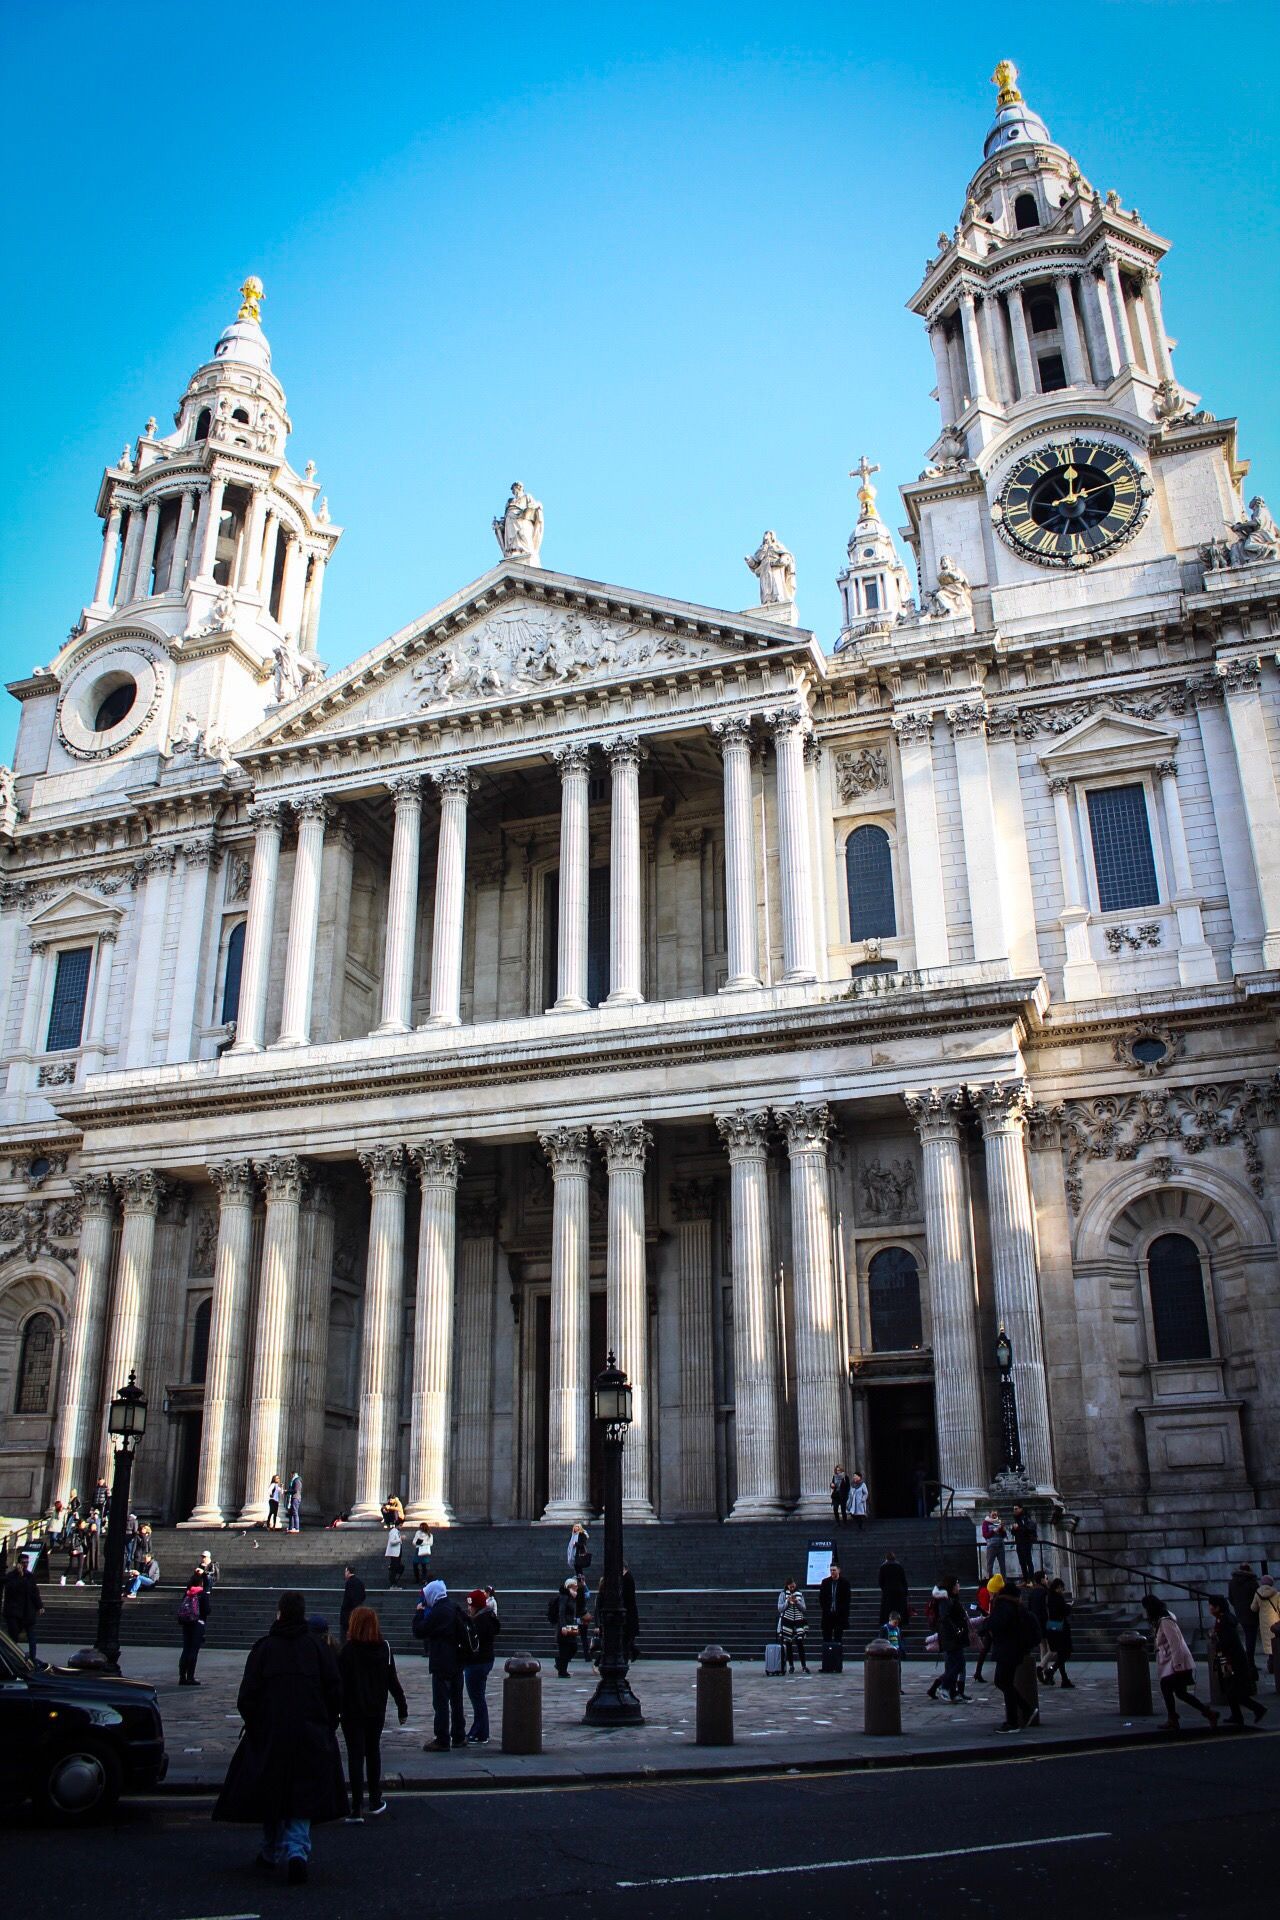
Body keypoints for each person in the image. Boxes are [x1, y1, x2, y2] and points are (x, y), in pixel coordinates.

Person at [214, 1589, 347, 1883]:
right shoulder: (317, 1649)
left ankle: (271, 1849)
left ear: (279, 1612)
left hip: (271, 1732)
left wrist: (258, 1724)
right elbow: (335, 1690)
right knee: (302, 1792)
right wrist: (327, 1722)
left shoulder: (264, 1649)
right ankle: (297, 1851)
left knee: (272, 1789)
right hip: (309, 1732)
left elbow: (246, 1696)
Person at [338, 1605, 408, 1820]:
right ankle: (375, 1799)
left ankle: (356, 1806)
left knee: (355, 1755)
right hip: (376, 1710)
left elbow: (339, 1683)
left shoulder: (348, 1651)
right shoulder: (384, 1648)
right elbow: (392, 1680)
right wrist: (402, 1707)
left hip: (352, 1710)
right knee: (373, 1751)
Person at [1141, 1594, 1217, 1732]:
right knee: (1180, 1693)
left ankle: (1174, 1719)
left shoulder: (1165, 1621)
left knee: (1167, 1687)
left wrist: (1178, 1665)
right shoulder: (1163, 1619)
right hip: (1172, 1662)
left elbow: (1175, 1644)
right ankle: (1207, 1713)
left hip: (1175, 1662)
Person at [415, 1579, 466, 1750]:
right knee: (457, 1701)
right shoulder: (454, 1607)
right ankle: (459, 1736)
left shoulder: (438, 1611)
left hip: (442, 1661)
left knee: (441, 1701)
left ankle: (442, 1738)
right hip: (457, 1661)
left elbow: (420, 1631)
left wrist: (419, 1613)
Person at [988, 1572, 1040, 1732]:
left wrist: (987, 1625)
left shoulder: (1003, 1605)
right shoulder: (1014, 1604)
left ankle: (1015, 1720)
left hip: (1007, 1649)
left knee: (1003, 1682)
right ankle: (1023, 1712)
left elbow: (999, 1624)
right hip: (1012, 1649)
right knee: (1004, 1682)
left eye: (990, 1591)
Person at [1208, 1595, 1267, 1729]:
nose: (1209, 1608)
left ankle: (1257, 1709)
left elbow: (1226, 1642)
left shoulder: (1224, 1621)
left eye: (1211, 1605)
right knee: (1230, 1689)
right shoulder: (1223, 1619)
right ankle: (1237, 1715)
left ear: (1217, 1607)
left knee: (1234, 1690)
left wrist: (1215, 1641)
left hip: (1232, 1661)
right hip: (1228, 1659)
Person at [462, 1588, 501, 1744]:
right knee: (479, 1698)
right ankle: (481, 1731)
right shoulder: (488, 1617)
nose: (469, 1608)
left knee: (477, 1698)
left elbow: (472, 1643)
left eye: (471, 1605)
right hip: (486, 1660)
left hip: (477, 1663)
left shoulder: (479, 1621)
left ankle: (479, 1731)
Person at [928, 1575, 970, 1704]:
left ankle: (953, 1692)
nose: (959, 1586)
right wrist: (956, 1629)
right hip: (950, 1637)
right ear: (951, 1586)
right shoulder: (945, 1600)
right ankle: (945, 1687)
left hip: (955, 1636)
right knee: (957, 1664)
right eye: (957, 1584)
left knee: (956, 1664)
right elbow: (944, 1618)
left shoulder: (952, 1598)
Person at [3, 1559, 43, 1661]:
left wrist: (39, 1606)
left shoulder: (30, 1576)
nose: (25, 1565)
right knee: (13, 1637)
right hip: (14, 1612)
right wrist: (20, 1576)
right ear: (18, 1564)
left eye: (27, 1562)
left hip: (27, 1611)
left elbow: (34, 1592)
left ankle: (33, 1658)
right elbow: (12, 1589)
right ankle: (12, 1657)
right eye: (23, 1562)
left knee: (31, 1636)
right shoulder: (11, 1576)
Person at [1041, 1577, 1075, 1687]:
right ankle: (1051, 1670)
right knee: (1066, 1652)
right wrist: (1069, 1607)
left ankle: (1064, 1679)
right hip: (1060, 1627)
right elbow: (1062, 1611)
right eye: (1062, 1588)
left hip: (1052, 1626)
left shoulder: (1049, 1597)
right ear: (1058, 1587)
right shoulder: (1057, 1598)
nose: (1062, 1590)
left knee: (1061, 1653)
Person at [178, 1576, 209, 1685]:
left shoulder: (188, 1593)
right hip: (198, 1624)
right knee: (193, 1650)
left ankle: (182, 1676)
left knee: (186, 1649)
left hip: (186, 1623)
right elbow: (207, 1610)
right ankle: (190, 1677)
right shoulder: (202, 1594)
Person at [1229, 1563, 1261, 1664]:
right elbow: (1257, 1599)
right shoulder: (1252, 1583)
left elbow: (1231, 1598)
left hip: (1240, 1613)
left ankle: (1249, 1661)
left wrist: (1238, 1607)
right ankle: (1250, 1662)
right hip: (1252, 1613)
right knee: (1251, 1637)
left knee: (1248, 1636)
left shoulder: (1232, 1583)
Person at [776, 1579, 809, 1674]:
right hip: (787, 1621)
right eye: (790, 1586)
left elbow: (803, 1608)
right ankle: (791, 1666)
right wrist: (788, 1602)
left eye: (793, 1585)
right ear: (787, 1586)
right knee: (788, 1643)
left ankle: (804, 1665)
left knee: (800, 1643)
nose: (792, 1587)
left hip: (798, 1621)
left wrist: (796, 1602)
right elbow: (780, 1608)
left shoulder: (800, 1594)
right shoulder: (783, 1594)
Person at [1251, 1574, 1280, 1676]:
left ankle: (1271, 1665)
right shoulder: (1276, 1593)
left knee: (1269, 1644)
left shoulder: (1257, 1594)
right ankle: (1277, 1665)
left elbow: (1253, 1608)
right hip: (1275, 1620)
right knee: (1277, 1642)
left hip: (1264, 1622)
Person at [877, 1550, 910, 1633]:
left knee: (888, 1611)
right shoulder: (899, 1566)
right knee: (899, 1610)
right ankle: (899, 1628)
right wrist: (905, 1592)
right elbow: (903, 1580)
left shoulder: (883, 1567)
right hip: (899, 1592)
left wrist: (885, 1589)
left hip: (888, 1593)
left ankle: (888, 1627)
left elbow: (880, 1581)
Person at [554, 1576, 580, 1677]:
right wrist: (563, 1626)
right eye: (575, 1586)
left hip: (571, 1625)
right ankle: (562, 1671)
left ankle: (560, 1664)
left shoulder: (572, 1597)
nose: (577, 1587)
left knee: (573, 1647)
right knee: (565, 1649)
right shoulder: (564, 1597)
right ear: (570, 1586)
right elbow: (561, 1612)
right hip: (564, 1626)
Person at [820, 1561, 851, 1644]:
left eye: (834, 1570)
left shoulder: (845, 1583)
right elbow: (821, 1598)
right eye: (831, 1570)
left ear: (839, 1570)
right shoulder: (825, 1582)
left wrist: (843, 1612)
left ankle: (838, 1656)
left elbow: (847, 1599)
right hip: (828, 1615)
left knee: (838, 1639)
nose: (832, 1572)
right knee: (827, 1638)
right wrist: (826, 1609)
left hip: (839, 1615)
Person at [972, 1577, 994, 1683]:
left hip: (986, 1620)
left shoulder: (980, 1591)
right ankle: (978, 1672)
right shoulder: (986, 1592)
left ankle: (978, 1672)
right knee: (987, 1648)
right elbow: (987, 1608)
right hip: (989, 1620)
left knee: (985, 1649)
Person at [1011, 1505, 1038, 1581]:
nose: (1015, 1510)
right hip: (1019, 1542)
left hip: (1026, 1542)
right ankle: (1026, 1579)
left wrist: (1018, 1528)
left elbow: (1028, 1529)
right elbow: (1013, 1532)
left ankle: (1031, 1579)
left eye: (1016, 1509)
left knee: (1028, 1561)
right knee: (1022, 1562)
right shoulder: (1017, 1519)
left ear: (1021, 1509)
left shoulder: (1025, 1518)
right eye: (1014, 1509)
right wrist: (1014, 1529)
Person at [339, 1566, 366, 1639]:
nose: (344, 1573)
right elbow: (363, 1595)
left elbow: (349, 1598)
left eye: (345, 1571)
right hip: (358, 1612)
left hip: (348, 1614)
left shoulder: (349, 1582)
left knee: (345, 1637)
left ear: (348, 1572)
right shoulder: (360, 1582)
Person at [621, 1565, 640, 1661]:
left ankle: (626, 1658)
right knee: (627, 1638)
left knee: (626, 1639)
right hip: (628, 1613)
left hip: (628, 1613)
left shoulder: (627, 1578)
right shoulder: (626, 1577)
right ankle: (634, 1651)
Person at [982, 1511, 1008, 1578]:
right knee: (990, 1565)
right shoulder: (985, 1523)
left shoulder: (999, 1522)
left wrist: (1003, 1530)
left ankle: (1004, 1581)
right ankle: (989, 1581)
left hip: (1000, 1546)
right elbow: (985, 1535)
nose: (994, 1515)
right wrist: (994, 1530)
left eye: (995, 1514)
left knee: (1002, 1565)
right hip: (991, 1547)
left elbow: (1003, 1535)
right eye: (993, 1514)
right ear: (990, 1514)